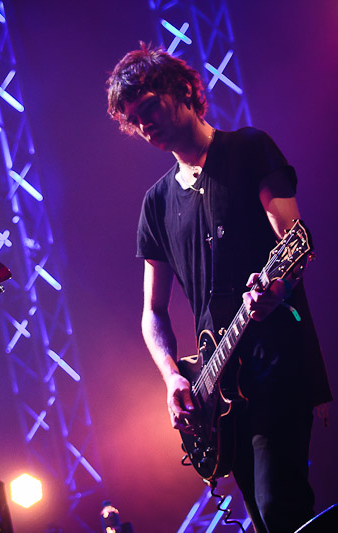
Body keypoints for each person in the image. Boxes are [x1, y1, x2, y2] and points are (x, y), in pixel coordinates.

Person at [105, 44, 331, 532]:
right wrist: (172, 377)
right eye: (134, 121)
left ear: (184, 90)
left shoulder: (250, 148)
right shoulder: (157, 202)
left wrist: (278, 289)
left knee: (281, 509)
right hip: (218, 384)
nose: (145, 126)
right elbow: (153, 311)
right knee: (262, 518)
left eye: (150, 109)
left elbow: (293, 239)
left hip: (276, 361)